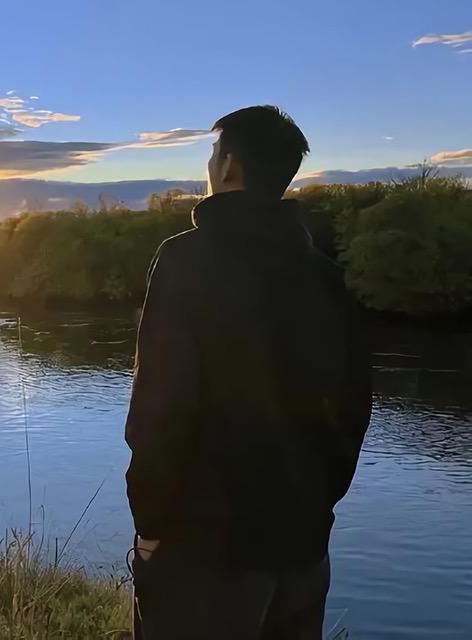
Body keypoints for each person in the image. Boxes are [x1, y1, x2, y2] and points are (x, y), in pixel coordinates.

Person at [125, 106, 371, 640]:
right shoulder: (325, 277)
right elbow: (355, 406)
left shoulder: (186, 261)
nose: (211, 164)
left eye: (214, 153)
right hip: (303, 543)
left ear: (229, 164)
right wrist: (319, 501)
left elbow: (163, 407)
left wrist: (150, 524)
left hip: (204, 547)